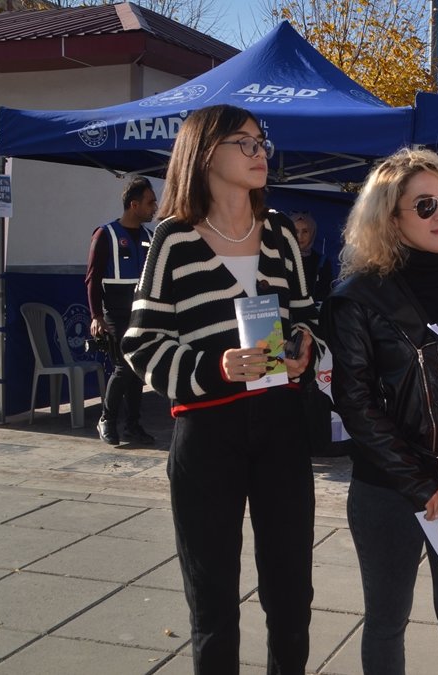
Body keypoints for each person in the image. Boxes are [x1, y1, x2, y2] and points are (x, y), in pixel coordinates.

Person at [121, 104, 319, 675]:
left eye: (263, 143)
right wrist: (215, 368)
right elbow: (142, 345)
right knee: (212, 601)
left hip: (281, 424)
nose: (261, 154)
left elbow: (307, 315)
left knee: (291, 593)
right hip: (208, 433)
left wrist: (302, 346)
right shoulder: (175, 240)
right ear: (207, 152)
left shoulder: (281, 232)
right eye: (246, 143)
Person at [324, 147, 438, 674]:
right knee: (386, 621)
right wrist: (424, 489)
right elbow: (356, 405)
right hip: (387, 490)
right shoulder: (357, 298)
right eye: (424, 205)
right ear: (390, 218)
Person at [85, 175, 157, 446]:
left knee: (138, 370)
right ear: (133, 204)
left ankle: (133, 425)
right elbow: (92, 278)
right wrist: (96, 316)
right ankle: (106, 419)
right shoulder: (106, 234)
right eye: (150, 202)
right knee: (123, 367)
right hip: (115, 311)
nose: (155, 207)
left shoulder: (151, 236)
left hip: (142, 310)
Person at [291, 210, 332, 302]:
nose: (300, 236)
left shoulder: (322, 262)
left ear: (312, 233)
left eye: (305, 231)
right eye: (295, 231)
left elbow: (325, 295)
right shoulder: (281, 259)